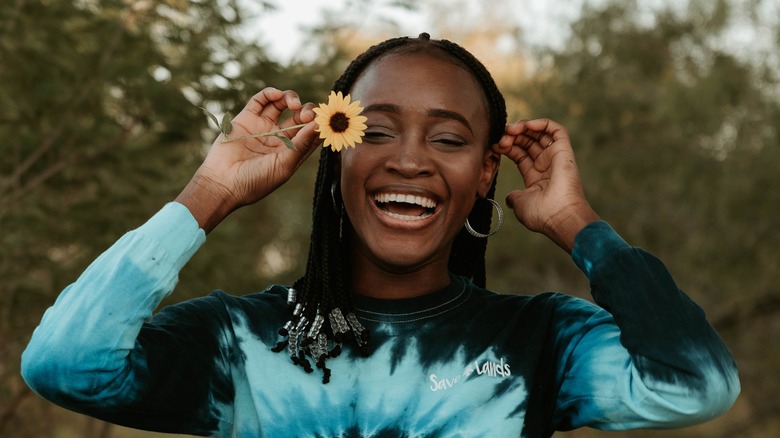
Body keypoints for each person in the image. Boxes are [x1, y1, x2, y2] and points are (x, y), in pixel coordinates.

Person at [21, 33, 739, 437]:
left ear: (487, 173)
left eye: (450, 139)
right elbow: (65, 364)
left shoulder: (540, 339)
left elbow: (696, 385)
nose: (409, 160)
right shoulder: (239, 339)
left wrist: (580, 226)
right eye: (378, 129)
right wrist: (207, 195)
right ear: (333, 153)